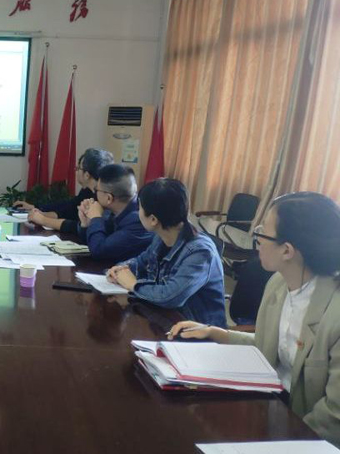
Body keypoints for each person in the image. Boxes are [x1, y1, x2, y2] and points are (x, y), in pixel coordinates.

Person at [169, 192, 340, 445]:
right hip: (271, 405)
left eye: (262, 232)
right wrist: (217, 333)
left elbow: (334, 416)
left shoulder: (334, 312)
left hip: (307, 432)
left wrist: (283, 442)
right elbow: (273, 345)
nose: (256, 239)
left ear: (287, 250)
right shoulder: (278, 283)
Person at [106, 178, 226, 327]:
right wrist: (120, 270)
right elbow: (141, 262)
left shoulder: (200, 252)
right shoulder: (162, 237)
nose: (137, 212)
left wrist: (133, 285)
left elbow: (170, 296)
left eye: (140, 208)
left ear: (153, 219)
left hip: (198, 332)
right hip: (165, 320)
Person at [19, 148, 114, 230]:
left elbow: (78, 227)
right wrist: (40, 212)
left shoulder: (103, 198)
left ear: (87, 175)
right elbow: (70, 208)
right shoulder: (88, 191)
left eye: (78, 168)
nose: (76, 171)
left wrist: (43, 220)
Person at [72, 164, 152, 261]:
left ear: (109, 198)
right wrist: (86, 224)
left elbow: (99, 251)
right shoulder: (114, 211)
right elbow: (92, 243)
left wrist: (96, 218)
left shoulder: (138, 220)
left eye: (97, 190)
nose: (95, 193)